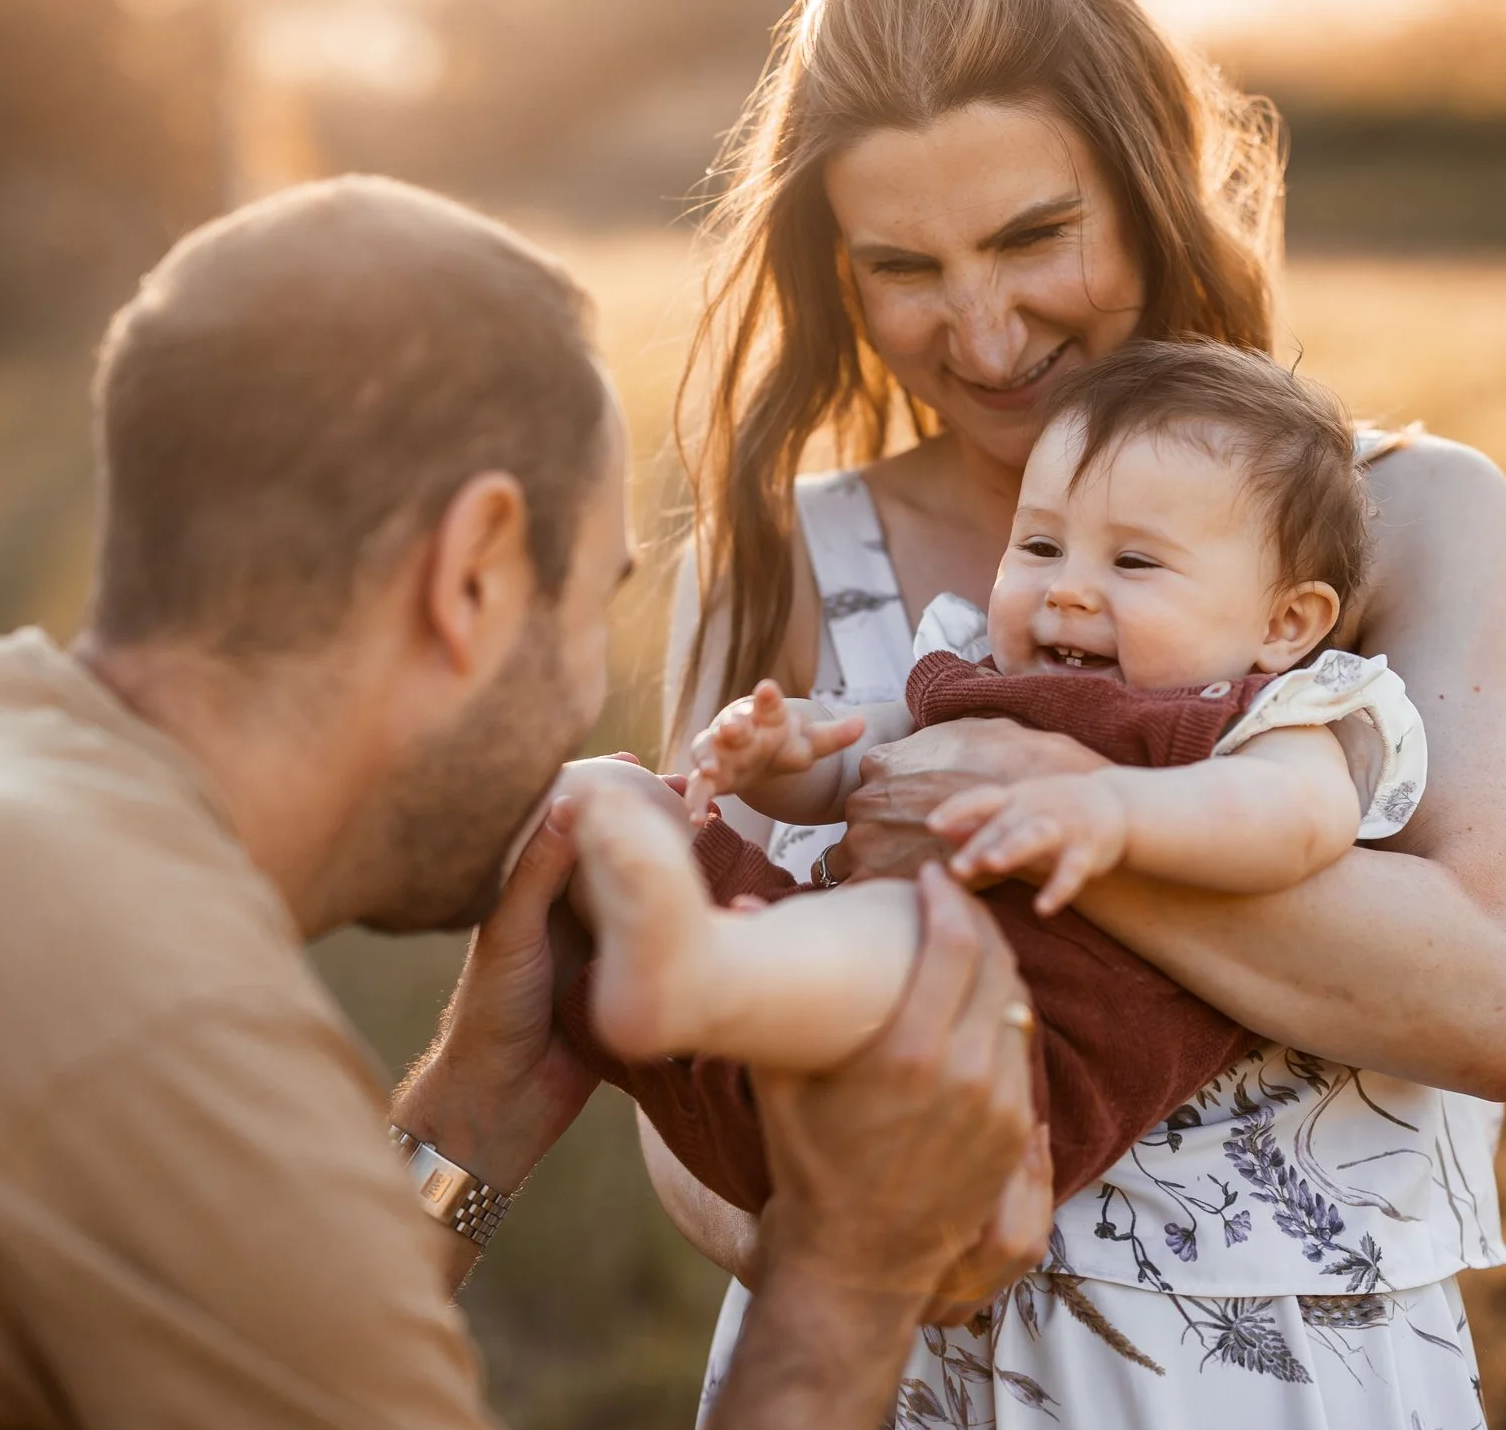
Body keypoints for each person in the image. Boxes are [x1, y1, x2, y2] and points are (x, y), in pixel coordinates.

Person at [0, 176, 1048, 1430]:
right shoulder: (135, 1010)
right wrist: (842, 1278)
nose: (593, 693)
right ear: (475, 572)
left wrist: (472, 1118)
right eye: (596, 601)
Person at [647, 0, 1506, 1430]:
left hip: (1289, 1407)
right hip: (906, 1404)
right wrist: (887, 1236)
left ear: (1152, 183)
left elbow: (1493, 1001)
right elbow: (688, 1076)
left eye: (1031, 236)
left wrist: (1015, 796)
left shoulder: (1405, 518)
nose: (984, 335)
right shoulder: (783, 555)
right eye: (902, 267)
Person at [560, 342, 1426, 1220]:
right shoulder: (979, 672)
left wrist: (1112, 807)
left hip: (978, 1088)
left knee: (918, 925)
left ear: (1286, 621)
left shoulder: (1268, 721)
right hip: (797, 1052)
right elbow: (860, 777)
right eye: (1042, 544)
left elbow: (1295, 820)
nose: (1070, 592)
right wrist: (786, 757)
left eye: (1134, 563)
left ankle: (711, 973)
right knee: (605, 793)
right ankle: (684, 964)